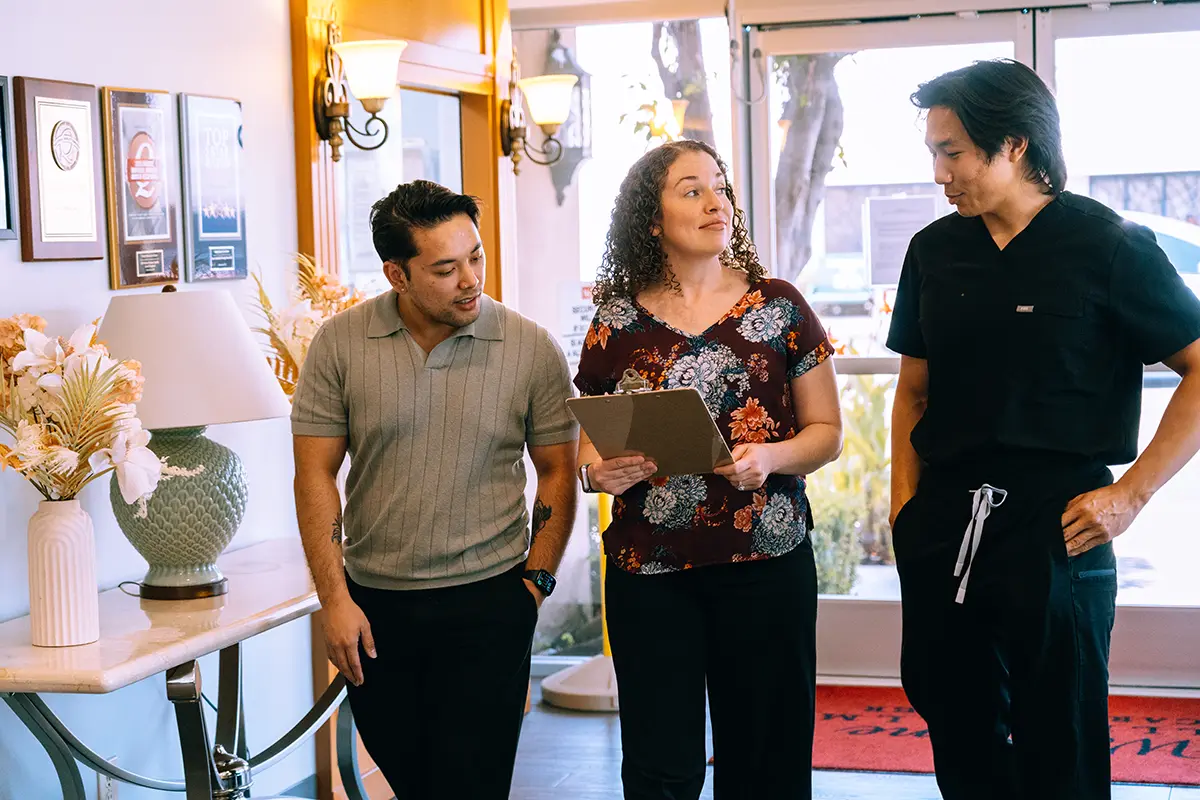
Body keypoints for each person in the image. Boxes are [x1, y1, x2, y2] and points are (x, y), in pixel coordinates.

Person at [888, 59, 1200, 800]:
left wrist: (1131, 495)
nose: (939, 174)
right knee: (957, 725)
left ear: (1015, 144)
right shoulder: (933, 251)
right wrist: (904, 509)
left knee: (1061, 738)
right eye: (932, 152)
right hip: (945, 520)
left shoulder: (1110, 245)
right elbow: (913, 392)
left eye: (952, 152)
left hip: (1060, 524)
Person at [290, 180, 579, 799]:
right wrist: (334, 599)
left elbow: (558, 469)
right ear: (397, 275)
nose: (470, 280)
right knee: (413, 783)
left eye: (475, 257)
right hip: (376, 610)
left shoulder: (530, 348)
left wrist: (534, 586)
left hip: (490, 602)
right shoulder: (340, 344)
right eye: (446, 269)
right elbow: (314, 473)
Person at [574, 139, 843, 799]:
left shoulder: (779, 306)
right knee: (658, 765)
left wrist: (770, 456)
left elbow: (827, 434)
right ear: (651, 219)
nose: (714, 201)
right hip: (649, 569)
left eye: (719, 187)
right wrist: (596, 474)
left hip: (766, 562)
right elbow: (587, 445)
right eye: (691, 190)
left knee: (766, 761)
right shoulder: (615, 321)